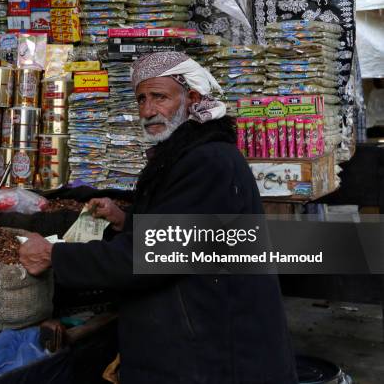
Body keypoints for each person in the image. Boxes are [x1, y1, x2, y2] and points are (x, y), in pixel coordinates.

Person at [19, 51, 298, 383]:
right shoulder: (184, 155)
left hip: (214, 352)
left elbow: (154, 253)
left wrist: (55, 255)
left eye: (159, 97)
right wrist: (126, 219)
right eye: (141, 99)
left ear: (192, 99)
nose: (148, 110)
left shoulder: (208, 161)